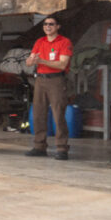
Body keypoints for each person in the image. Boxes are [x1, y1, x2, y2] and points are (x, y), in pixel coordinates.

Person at [24, 15, 74, 160]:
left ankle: (62, 148)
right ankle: (39, 146)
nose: (47, 27)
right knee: (38, 113)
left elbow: (62, 64)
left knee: (58, 114)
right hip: (40, 79)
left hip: (56, 80)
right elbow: (29, 62)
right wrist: (31, 61)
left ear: (58, 26)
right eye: (45, 24)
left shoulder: (64, 42)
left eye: (51, 24)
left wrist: (41, 61)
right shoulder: (40, 41)